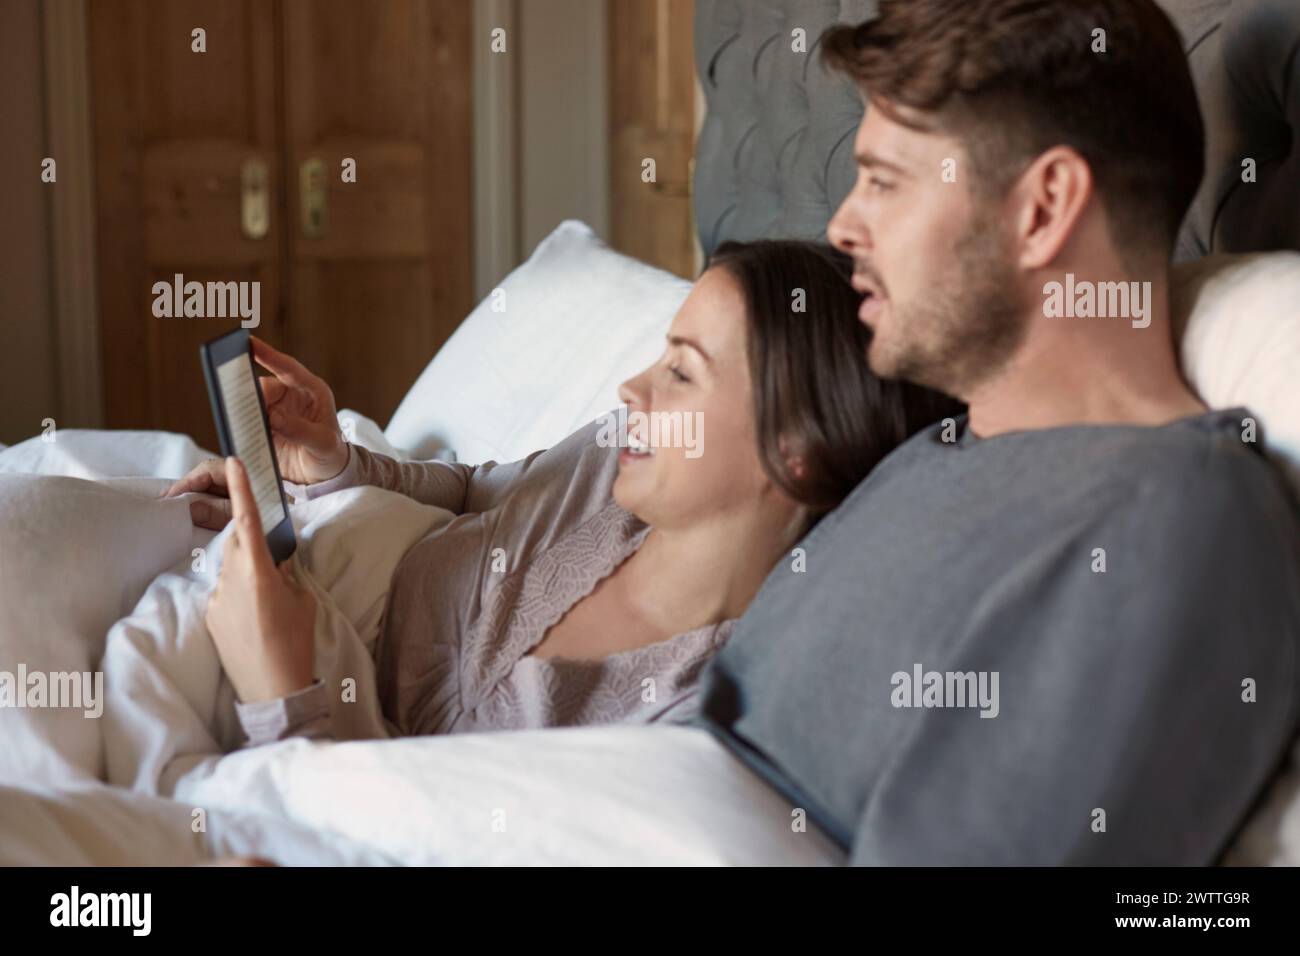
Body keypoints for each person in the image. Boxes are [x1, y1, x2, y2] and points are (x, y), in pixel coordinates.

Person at [689, 0, 1300, 864]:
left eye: (884, 182)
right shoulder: (930, 456)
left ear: (1044, 207)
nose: (841, 227)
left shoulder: (1169, 522)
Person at [163, 240, 960, 744]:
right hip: (302, 582)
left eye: (682, 372)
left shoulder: (685, 715)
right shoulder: (615, 464)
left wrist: (285, 697)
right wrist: (333, 465)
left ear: (796, 452)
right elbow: (475, 491)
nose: (632, 387)